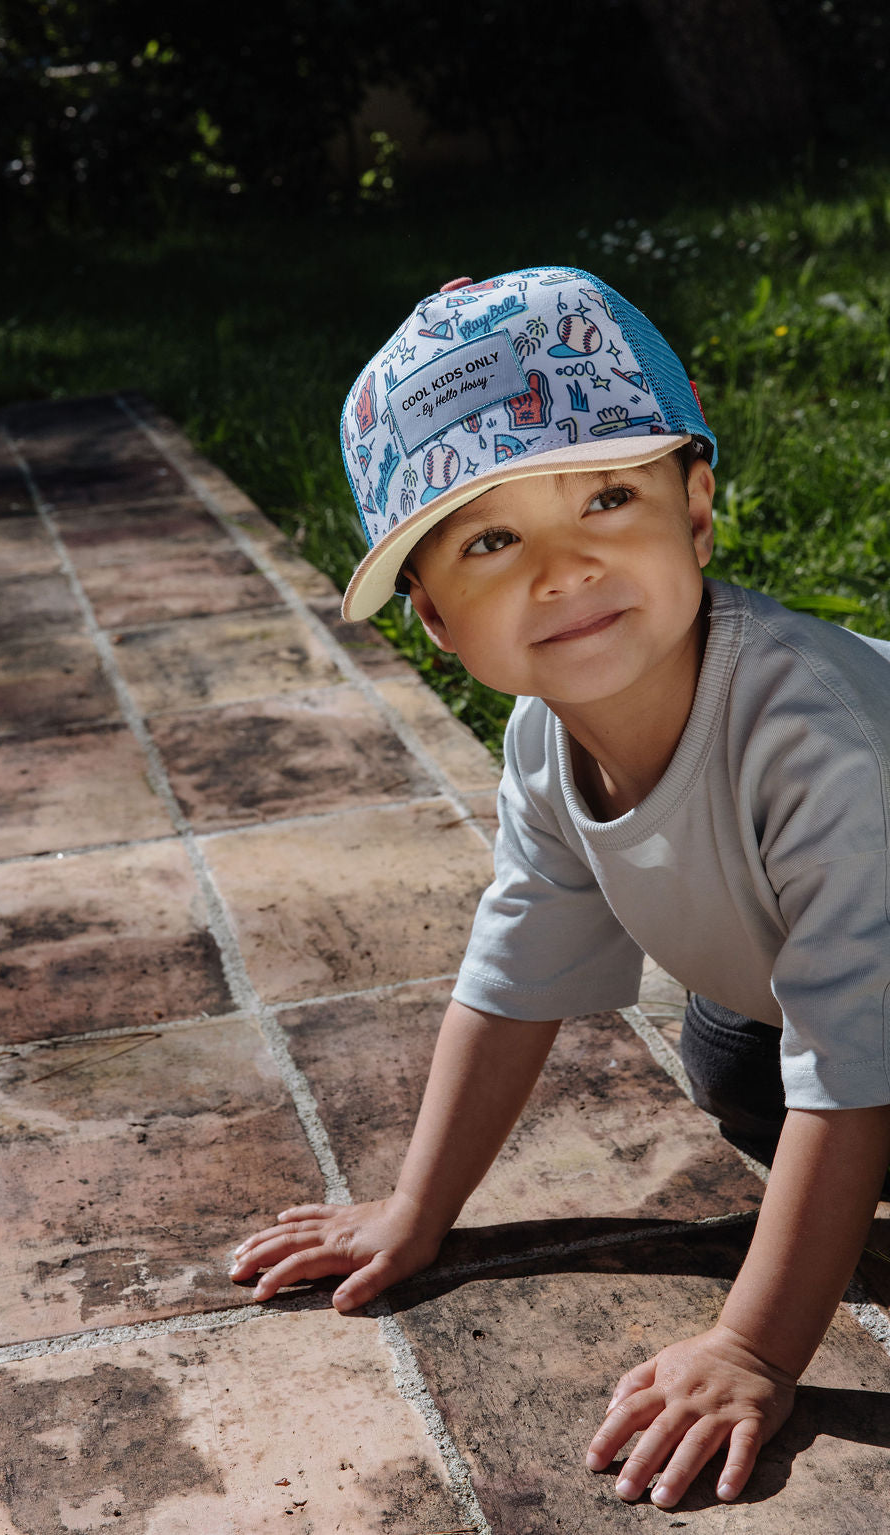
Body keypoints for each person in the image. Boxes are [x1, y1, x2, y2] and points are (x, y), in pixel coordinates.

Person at [229, 266, 890, 1509]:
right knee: (739, 1060)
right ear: (432, 616)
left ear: (696, 513)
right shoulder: (546, 736)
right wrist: (416, 1208)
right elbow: (515, 968)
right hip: (835, 996)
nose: (564, 565)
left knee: (827, 1074)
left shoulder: (815, 735)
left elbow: (854, 1056)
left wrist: (750, 1347)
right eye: (490, 539)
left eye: (605, 495)